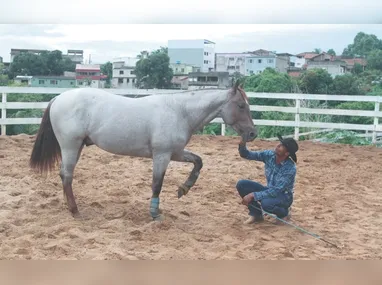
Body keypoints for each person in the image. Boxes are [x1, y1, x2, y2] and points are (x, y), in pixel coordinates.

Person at [236, 134, 299, 224]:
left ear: (287, 153)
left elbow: (277, 190)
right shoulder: (269, 155)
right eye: (280, 143)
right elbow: (246, 154)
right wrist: (242, 144)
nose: (278, 146)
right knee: (242, 185)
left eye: (282, 146)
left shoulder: (289, 168)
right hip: (271, 190)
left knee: (266, 204)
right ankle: (256, 214)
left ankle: (284, 213)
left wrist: (253, 195)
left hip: (284, 196)